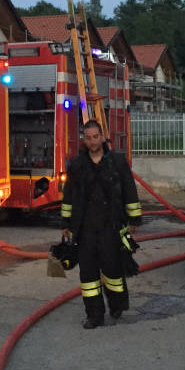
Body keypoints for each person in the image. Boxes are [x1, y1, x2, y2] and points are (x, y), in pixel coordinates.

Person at [60, 119, 143, 329]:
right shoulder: (77, 165)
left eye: (95, 137)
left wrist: (134, 219)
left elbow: (129, 190)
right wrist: (66, 223)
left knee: (113, 270)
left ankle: (117, 305)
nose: (92, 141)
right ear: (84, 139)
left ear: (103, 137)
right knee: (88, 276)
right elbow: (68, 195)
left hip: (111, 226)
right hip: (85, 228)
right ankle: (94, 315)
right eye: (88, 138)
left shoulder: (117, 162)